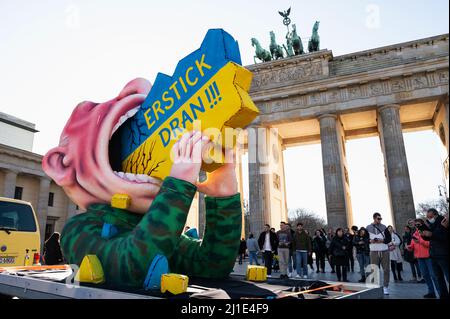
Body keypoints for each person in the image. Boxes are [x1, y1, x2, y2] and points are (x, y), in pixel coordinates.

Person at [407, 219, 438, 298]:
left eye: (419, 224)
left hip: (428, 257)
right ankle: (431, 292)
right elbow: (412, 245)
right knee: (425, 275)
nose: (417, 226)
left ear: (422, 224)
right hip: (420, 258)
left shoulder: (427, 232)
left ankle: (440, 292)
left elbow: (430, 244)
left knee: (433, 275)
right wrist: (409, 247)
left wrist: (420, 241)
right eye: (416, 225)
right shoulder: (414, 234)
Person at [421, 208, 449, 299]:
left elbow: (444, 236)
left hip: (443, 254)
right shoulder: (431, 224)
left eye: (430, 217)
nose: (429, 219)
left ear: (436, 215)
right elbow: (430, 237)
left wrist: (431, 234)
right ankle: (444, 296)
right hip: (433, 255)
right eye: (427, 217)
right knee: (438, 278)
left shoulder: (443, 221)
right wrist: (424, 234)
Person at [366, 212, 391, 295]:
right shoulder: (368, 227)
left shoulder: (384, 227)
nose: (380, 220)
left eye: (380, 218)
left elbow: (389, 239)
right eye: (378, 218)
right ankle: (374, 286)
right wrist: (370, 241)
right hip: (373, 251)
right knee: (373, 269)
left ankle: (385, 287)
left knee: (386, 269)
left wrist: (382, 240)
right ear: (374, 218)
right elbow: (365, 239)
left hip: (384, 250)